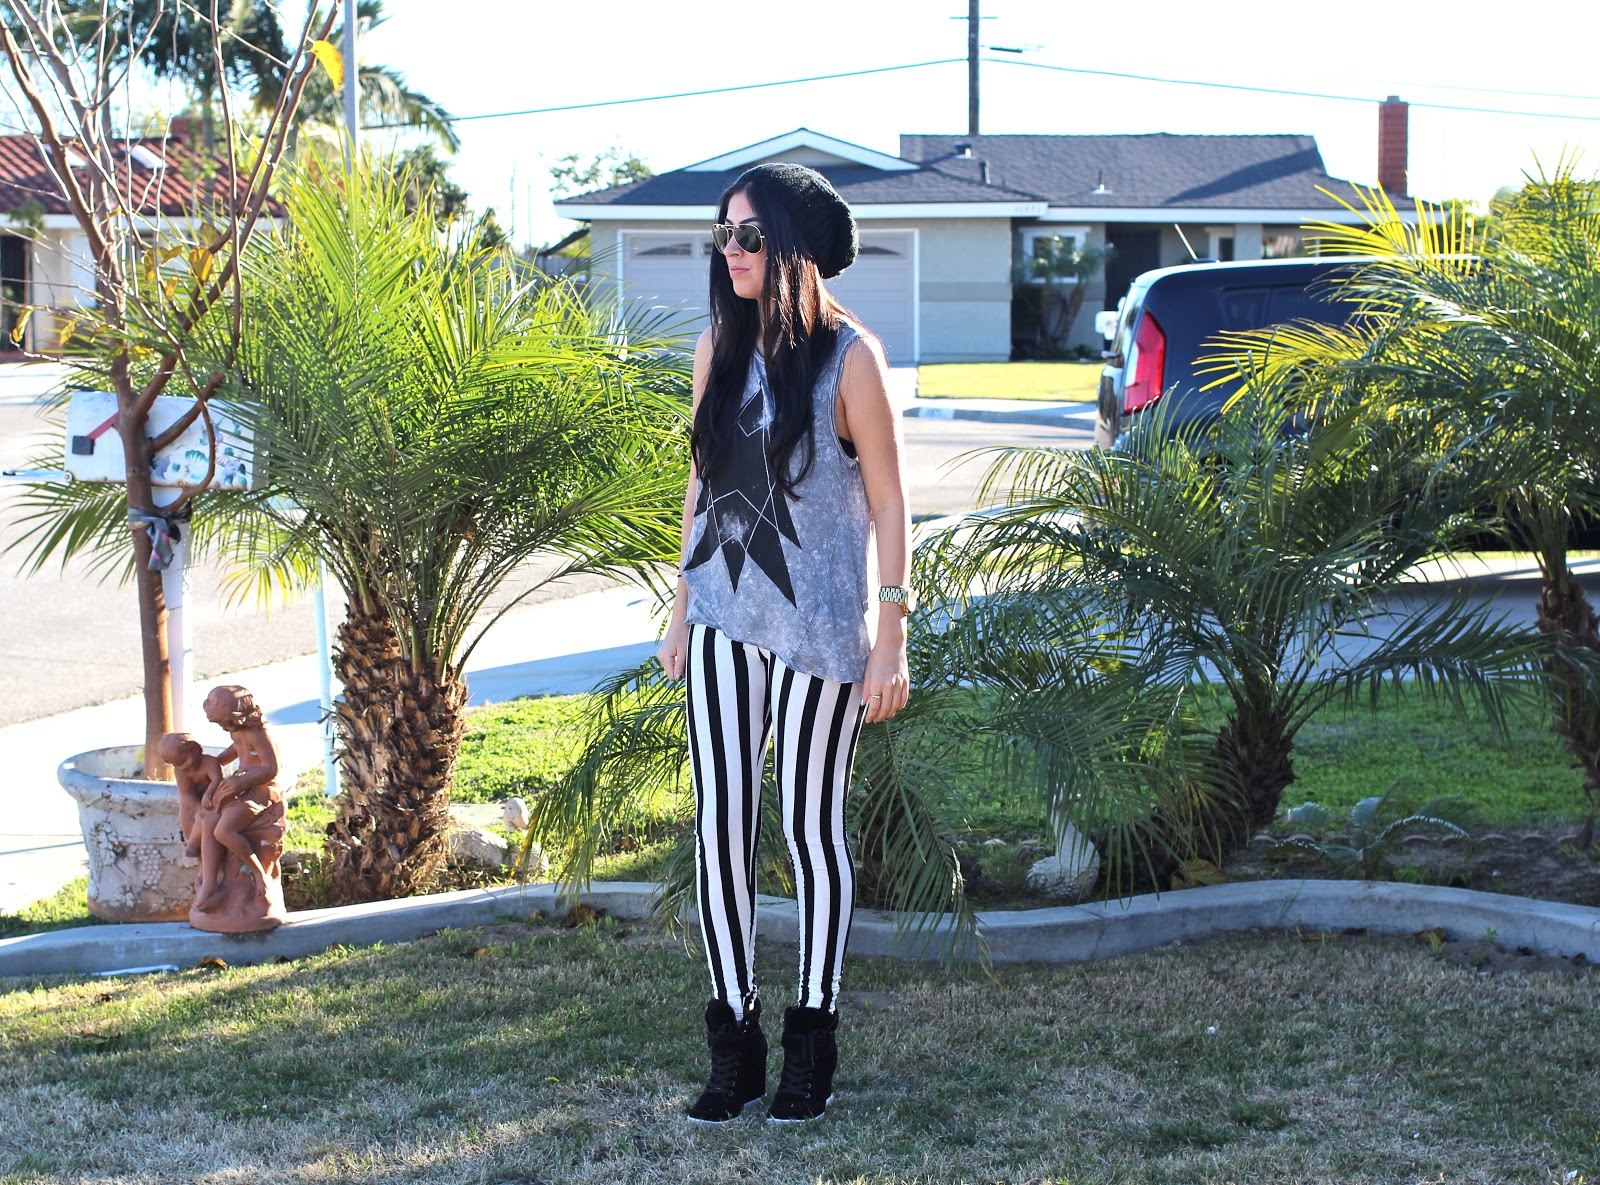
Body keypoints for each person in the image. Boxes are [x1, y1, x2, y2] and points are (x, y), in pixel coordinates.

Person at [657, 162, 913, 1125]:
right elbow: (701, 479)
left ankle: (813, 1038)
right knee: (719, 826)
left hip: (819, 634)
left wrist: (891, 635)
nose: (732, 251)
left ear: (793, 247)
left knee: (810, 832)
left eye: (751, 236)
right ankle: (735, 1041)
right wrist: (681, 602)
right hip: (723, 622)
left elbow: (891, 504)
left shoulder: (852, 359)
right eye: (722, 235)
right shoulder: (716, 345)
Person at [194, 684, 283, 912]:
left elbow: (271, 768)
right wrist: (214, 763)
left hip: (260, 791)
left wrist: (241, 783)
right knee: (209, 818)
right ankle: (210, 882)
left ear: (237, 715)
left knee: (223, 831)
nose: (224, 727)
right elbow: (236, 748)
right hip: (240, 786)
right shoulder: (237, 729)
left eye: (226, 722)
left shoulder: (259, 733)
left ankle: (258, 873)